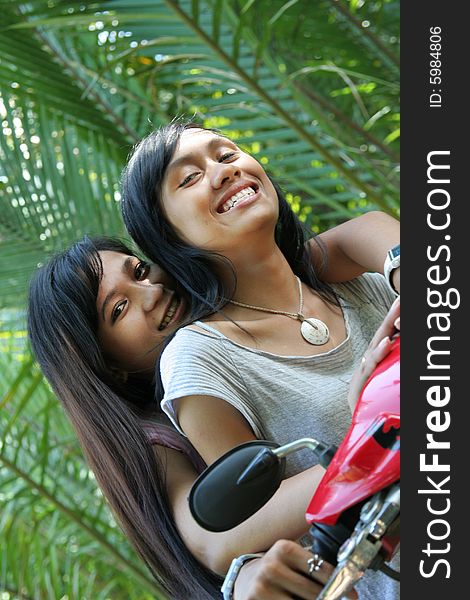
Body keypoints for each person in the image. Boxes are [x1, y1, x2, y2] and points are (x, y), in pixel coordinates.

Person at [28, 218, 397, 599]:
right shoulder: (154, 436)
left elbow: (346, 241)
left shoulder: (246, 300)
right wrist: (374, 446)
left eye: (139, 271)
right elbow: (213, 540)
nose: (151, 292)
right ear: (109, 366)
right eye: (120, 308)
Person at [119, 122, 400, 598]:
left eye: (227, 154)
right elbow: (258, 525)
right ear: (167, 237)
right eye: (188, 178)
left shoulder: (372, 282)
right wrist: (367, 425)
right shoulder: (201, 357)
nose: (221, 172)